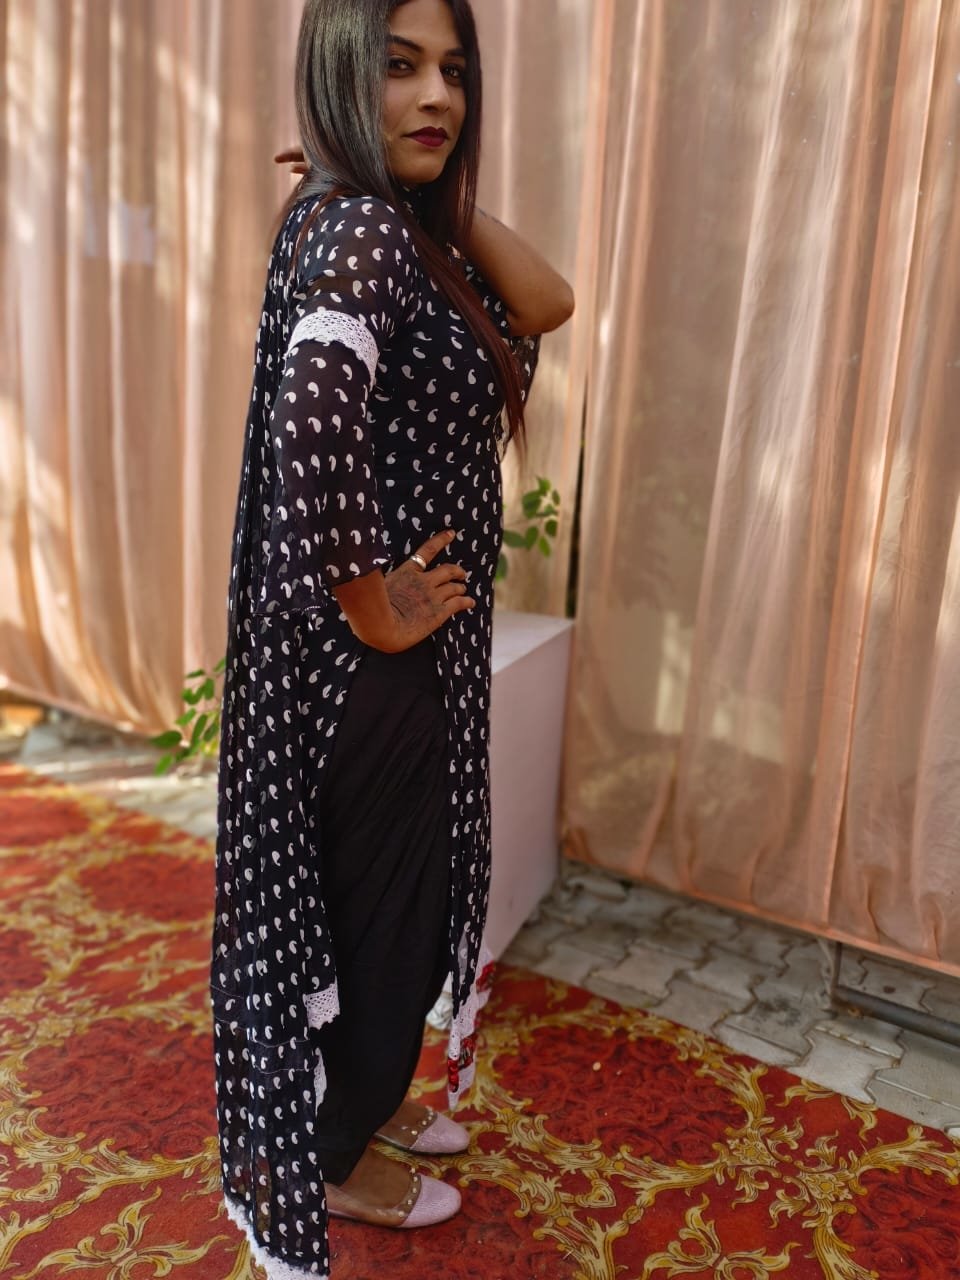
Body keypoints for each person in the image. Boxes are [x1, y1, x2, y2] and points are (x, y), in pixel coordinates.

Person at [211, 0, 574, 1274]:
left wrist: (433, 190)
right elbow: (310, 423)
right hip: (374, 669)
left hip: (392, 662)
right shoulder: (364, 228)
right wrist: (374, 601)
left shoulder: (381, 220)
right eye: (399, 67)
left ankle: (354, 1108)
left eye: (454, 73)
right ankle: (332, 1154)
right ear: (336, 72)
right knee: (385, 922)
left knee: (376, 909)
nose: (438, 98)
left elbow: (550, 300)